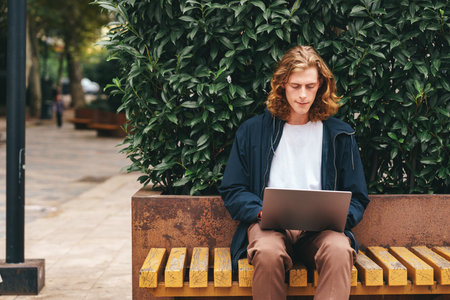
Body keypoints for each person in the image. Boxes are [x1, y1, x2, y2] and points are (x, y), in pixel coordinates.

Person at [219, 45, 370, 300]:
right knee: (267, 252)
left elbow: (358, 197)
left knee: (338, 250)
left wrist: (337, 218)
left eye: (310, 87)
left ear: (321, 85)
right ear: (281, 85)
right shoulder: (253, 131)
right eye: (295, 86)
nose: (303, 95)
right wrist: (259, 211)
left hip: (322, 231)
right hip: (270, 228)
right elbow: (232, 189)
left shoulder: (340, 134)